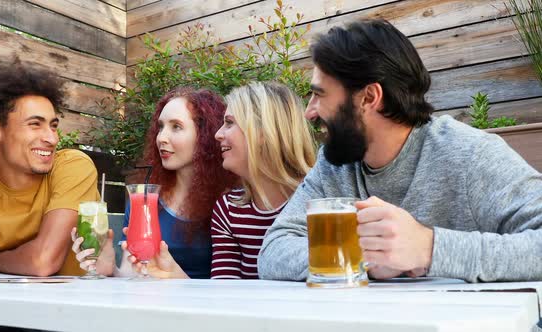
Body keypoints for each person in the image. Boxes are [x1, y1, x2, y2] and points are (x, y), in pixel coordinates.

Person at [258, 19, 542, 283]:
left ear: (369, 97)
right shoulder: (335, 166)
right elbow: (273, 249)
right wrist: (363, 256)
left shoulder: (469, 155)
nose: (309, 112)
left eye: (319, 94)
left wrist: (429, 249)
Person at [0, 58, 99, 276]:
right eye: (35, 124)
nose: (52, 138)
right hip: (8, 305)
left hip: (79, 303)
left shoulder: (73, 166)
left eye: (53, 126)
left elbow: (43, 261)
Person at [72, 87, 237, 278]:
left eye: (176, 126)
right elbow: (133, 273)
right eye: (160, 127)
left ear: (204, 136)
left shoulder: (229, 202)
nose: (161, 138)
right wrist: (110, 269)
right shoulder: (143, 200)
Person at [211, 81, 317, 279]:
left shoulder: (321, 201)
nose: (218, 134)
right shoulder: (229, 209)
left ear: (262, 132)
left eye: (230, 122)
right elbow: (224, 294)